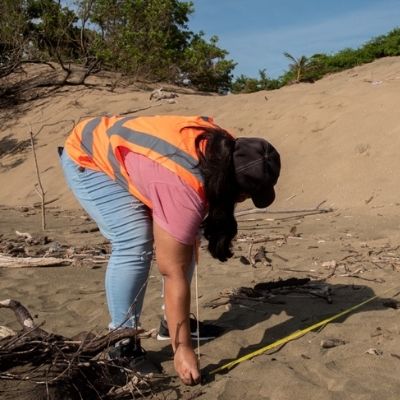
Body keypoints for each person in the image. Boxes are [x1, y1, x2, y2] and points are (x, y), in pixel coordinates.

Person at [60, 115, 281, 385]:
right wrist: (183, 348)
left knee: (184, 236)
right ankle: (123, 341)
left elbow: (186, 239)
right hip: (90, 156)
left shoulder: (230, 150)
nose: (243, 200)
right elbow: (171, 270)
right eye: (244, 194)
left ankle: (172, 323)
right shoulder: (182, 183)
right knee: (135, 241)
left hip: (148, 162)